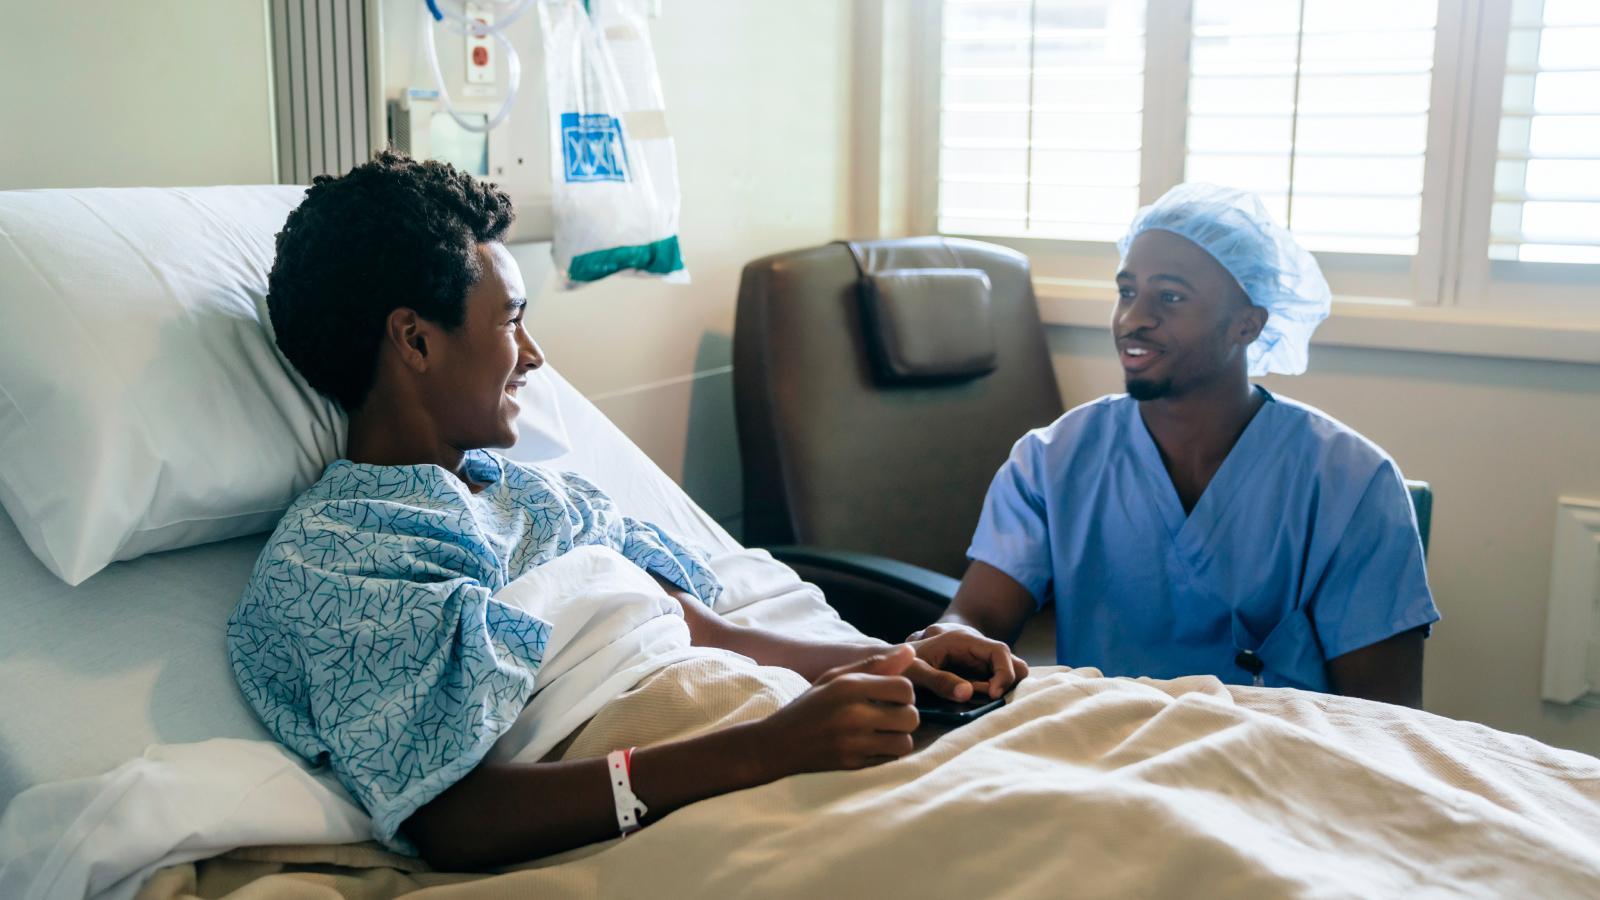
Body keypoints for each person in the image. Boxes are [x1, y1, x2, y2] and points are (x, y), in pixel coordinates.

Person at [227, 151, 1026, 871]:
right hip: (693, 768)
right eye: (511, 320)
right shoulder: (337, 554)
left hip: (751, 709)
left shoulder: (539, 493)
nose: (534, 356)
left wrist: (891, 660)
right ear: (414, 339)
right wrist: (766, 751)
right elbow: (450, 818)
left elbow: (702, 632)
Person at [916, 184, 1438, 707]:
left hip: (1275, 763)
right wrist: (955, 633)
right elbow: (977, 615)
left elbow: (1386, 715)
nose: (1132, 318)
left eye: (1169, 296)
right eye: (1126, 292)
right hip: (1101, 749)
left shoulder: (1350, 482)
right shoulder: (1051, 462)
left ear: (1247, 323)